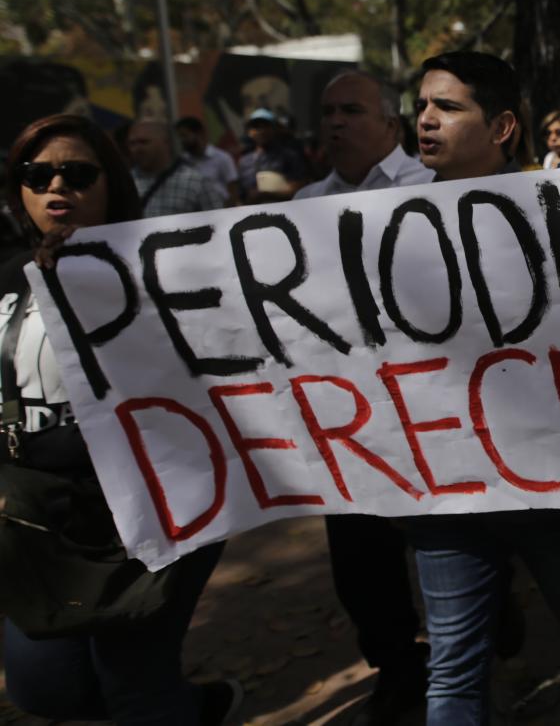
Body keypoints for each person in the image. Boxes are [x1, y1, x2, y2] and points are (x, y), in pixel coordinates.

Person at [408, 51, 560, 726]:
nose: (425, 119)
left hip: (553, 491)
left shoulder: (558, 218)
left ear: (502, 126)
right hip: (444, 493)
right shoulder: (380, 227)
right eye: (421, 104)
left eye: (448, 107)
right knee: (451, 665)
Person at [1, 114, 241, 725]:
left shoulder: (163, 273)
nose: (58, 185)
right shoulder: (6, 279)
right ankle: (202, 707)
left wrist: (90, 282)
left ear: (111, 184)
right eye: (39, 173)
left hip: (157, 507)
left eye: (78, 173)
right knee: (45, 691)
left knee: (134, 677)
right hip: (43, 518)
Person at [292, 71, 433, 724]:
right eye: (328, 113)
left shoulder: (434, 190)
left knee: (449, 541)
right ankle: (398, 666)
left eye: (352, 110)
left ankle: (482, 626)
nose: (336, 124)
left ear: (392, 126)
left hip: (435, 406)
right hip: (349, 418)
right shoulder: (301, 205)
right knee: (360, 563)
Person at [126, 119, 225, 218]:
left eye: (144, 142)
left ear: (165, 142)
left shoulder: (195, 182)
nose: (136, 149)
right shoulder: (124, 184)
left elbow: (218, 222)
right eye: (132, 143)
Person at [237, 108, 310, 203]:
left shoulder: (289, 156)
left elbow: (299, 189)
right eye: (256, 127)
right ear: (249, 132)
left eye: (266, 126)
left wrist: (266, 194)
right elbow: (239, 195)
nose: (261, 131)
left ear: (274, 129)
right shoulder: (244, 161)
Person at [175, 116, 240, 205]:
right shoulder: (182, 162)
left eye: (185, 136)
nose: (182, 141)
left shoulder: (222, 158)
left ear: (199, 133)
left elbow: (232, 191)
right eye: (180, 137)